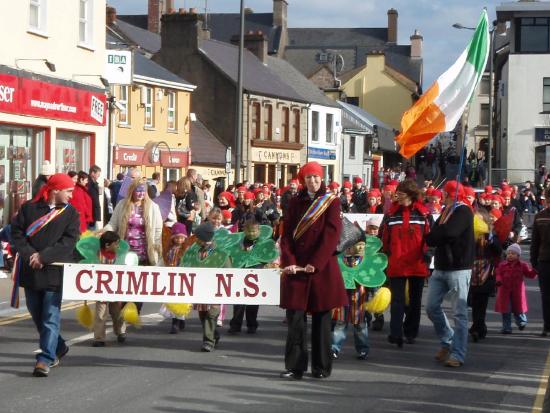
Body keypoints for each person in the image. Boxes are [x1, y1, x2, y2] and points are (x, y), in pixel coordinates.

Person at [280, 161, 347, 380]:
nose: (313, 181)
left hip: (321, 268)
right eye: (308, 178)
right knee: (295, 321)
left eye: (316, 177)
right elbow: (287, 234)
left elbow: (332, 234)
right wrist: (288, 260)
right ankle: (295, 367)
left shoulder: (331, 202)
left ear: (322, 179)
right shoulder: (295, 202)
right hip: (297, 268)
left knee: (322, 322)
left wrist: (316, 262)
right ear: (303, 180)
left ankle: (321, 368)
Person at [11, 173, 80, 377]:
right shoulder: (29, 208)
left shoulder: (70, 213)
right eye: (68, 191)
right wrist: (30, 254)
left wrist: (44, 256)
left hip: (54, 271)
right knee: (37, 315)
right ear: (55, 190)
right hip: (31, 270)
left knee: (50, 316)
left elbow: (68, 242)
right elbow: (16, 233)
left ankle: (45, 359)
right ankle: (58, 346)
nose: (71, 195)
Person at [425, 181, 475, 367]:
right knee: (431, 307)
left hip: (459, 267)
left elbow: (449, 232)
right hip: (440, 266)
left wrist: (438, 234)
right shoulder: (446, 211)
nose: (442, 196)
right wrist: (437, 234)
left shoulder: (463, 211)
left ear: (450, 194)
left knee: (459, 313)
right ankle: (448, 339)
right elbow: (433, 235)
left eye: (444, 193)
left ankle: (458, 354)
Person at [380, 180, 432, 347]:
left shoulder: (424, 214)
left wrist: (428, 255)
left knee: (415, 301)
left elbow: (430, 238)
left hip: (417, 263)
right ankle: (396, 333)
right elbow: (383, 237)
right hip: (396, 262)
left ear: (410, 195)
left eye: (401, 194)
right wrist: (384, 257)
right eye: (397, 194)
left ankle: (411, 332)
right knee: (397, 300)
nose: (398, 197)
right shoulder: (390, 214)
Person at [182, 222, 230, 352]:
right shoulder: (195, 252)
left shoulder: (220, 253)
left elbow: (229, 272)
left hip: (215, 289)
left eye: (197, 237)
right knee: (203, 314)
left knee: (211, 314)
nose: (195, 239)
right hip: (200, 289)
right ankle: (213, 334)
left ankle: (208, 341)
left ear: (203, 238)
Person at [331, 236, 370, 360]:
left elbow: (372, 276)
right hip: (343, 294)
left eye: (362, 245)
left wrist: (375, 290)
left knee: (360, 324)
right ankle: (334, 348)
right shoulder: (341, 259)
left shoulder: (366, 260)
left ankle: (363, 349)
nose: (359, 247)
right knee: (340, 322)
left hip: (360, 295)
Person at [468, 209, 502, 342]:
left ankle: (477, 328)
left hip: (486, 271)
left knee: (481, 302)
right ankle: (479, 327)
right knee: (473, 301)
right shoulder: (470, 235)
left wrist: (490, 238)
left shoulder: (491, 235)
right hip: (471, 270)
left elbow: (498, 250)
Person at [92, 231, 127, 346]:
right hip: (101, 289)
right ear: (107, 245)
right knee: (100, 314)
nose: (118, 246)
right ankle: (99, 338)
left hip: (115, 290)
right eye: (116, 244)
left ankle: (120, 331)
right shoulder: (97, 255)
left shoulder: (119, 256)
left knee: (116, 312)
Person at [495, 243, 537, 334]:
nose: (510, 255)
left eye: (513, 253)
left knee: (518, 308)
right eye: (509, 253)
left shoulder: (523, 265)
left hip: (517, 291)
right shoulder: (502, 265)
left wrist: (535, 271)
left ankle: (521, 322)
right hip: (504, 291)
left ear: (518, 255)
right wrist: (498, 281)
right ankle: (506, 327)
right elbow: (498, 274)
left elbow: (529, 274)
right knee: (506, 310)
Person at [161, 222, 189, 334]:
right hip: (171, 278)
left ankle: (180, 320)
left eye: (181, 238)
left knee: (181, 300)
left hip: (182, 278)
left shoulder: (186, 250)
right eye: (177, 238)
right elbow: (164, 261)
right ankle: (175, 322)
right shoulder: (169, 250)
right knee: (172, 299)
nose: (179, 240)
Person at [531, 186, 550, 337]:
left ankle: (547, 325)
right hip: (544, 260)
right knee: (546, 295)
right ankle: (547, 325)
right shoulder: (539, 217)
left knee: (546, 295)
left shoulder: (540, 216)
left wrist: (534, 261)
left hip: (544, 260)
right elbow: (535, 242)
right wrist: (533, 261)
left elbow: (535, 243)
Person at [87, 165, 102, 229]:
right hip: (90, 213)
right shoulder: (88, 184)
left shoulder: (94, 183)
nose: (99, 176)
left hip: (94, 213)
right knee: (92, 233)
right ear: (92, 173)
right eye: (98, 174)